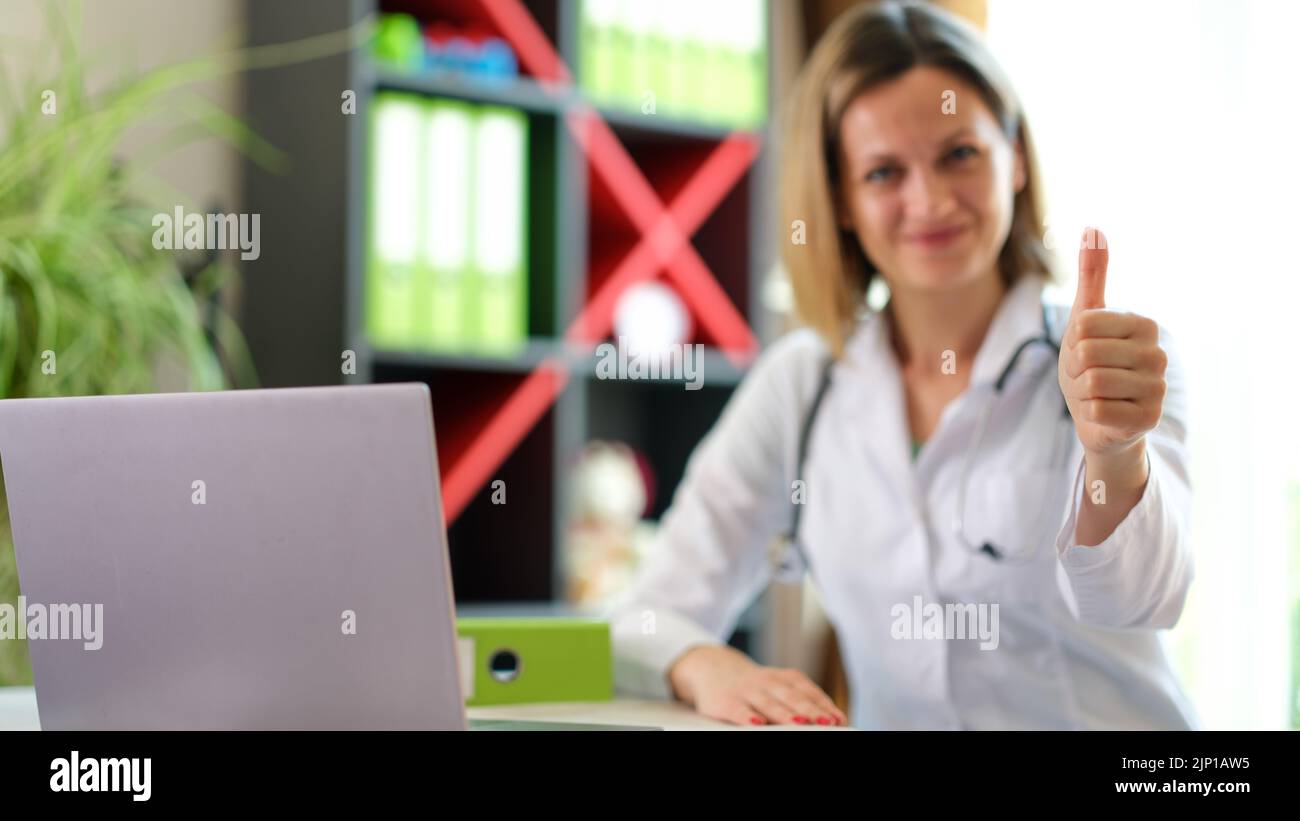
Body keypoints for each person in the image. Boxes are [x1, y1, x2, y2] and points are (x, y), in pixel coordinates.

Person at [607, 0, 1196, 730]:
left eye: (960, 153)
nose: (931, 200)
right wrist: (706, 665)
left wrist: (1116, 454)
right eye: (884, 172)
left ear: (1014, 157)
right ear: (843, 200)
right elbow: (641, 619)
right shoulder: (802, 385)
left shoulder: (1115, 364)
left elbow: (1139, 599)